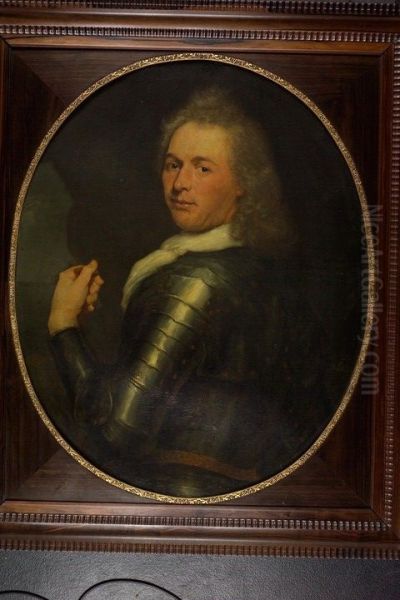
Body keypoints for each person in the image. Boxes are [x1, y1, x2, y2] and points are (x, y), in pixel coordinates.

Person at [48, 89, 321, 497]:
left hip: (177, 495)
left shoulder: (194, 282)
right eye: (173, 165)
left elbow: (114, 429)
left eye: (203, 168)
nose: (179, 184)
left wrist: (63, 325)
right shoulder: (258, 270)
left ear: (244, 182)